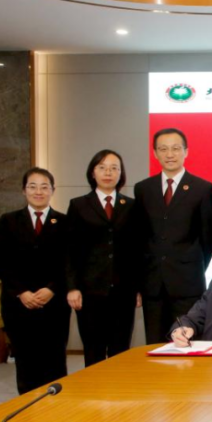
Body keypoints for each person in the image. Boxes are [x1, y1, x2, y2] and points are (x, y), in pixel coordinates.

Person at [133, 128, 212, 344]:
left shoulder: (202, 188)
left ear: (186, 151)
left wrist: (189, 264)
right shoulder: (143, 189)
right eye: (163, 149)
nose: (169, 154)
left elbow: (207, 238)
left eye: (175, 148)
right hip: (153, 284)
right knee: (155, 343)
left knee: (188, 342)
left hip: (188, 283)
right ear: (155, 153)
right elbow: (140, 237)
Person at [0, 168, 71, 394]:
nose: (38, 191)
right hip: (19, 304)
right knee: (25, 361)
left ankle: (56, 407)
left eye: (44, 186)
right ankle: (28, 408)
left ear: (52, 190)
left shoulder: (65, 222)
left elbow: (70, 261)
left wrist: (52, 289)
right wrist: (21, 292)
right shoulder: (9, 221)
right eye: (32, 186)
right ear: (23, 190)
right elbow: (2, 261)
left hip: (54, 305)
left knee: (55, 360)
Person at [65, 149, 141, 367]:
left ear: (121, 174)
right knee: (93, 350)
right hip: (89, 291)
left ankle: (119, 388)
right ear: (93, 172)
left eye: (114, 168)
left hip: (124, 291)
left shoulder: (132, 206)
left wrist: (138, 288)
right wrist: (72, 287)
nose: (108, 173)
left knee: (120, 350)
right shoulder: (78, 205)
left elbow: (137, 250)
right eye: (102, 167)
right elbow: (70, 250)